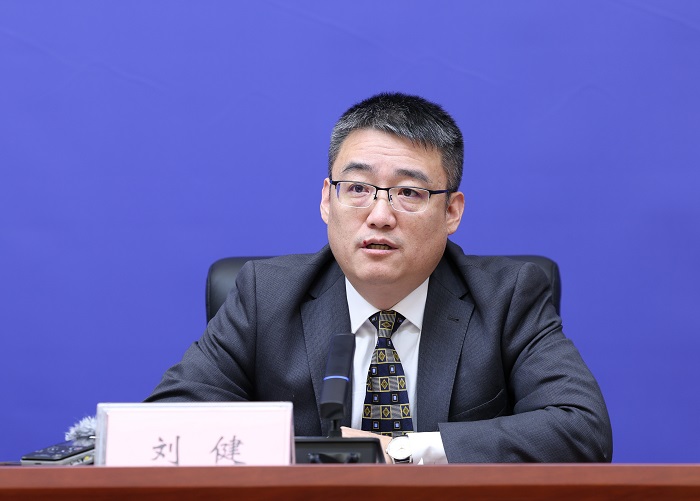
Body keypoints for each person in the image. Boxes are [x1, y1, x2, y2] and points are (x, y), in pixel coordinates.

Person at [146, 92, 613, 464]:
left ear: (451, 212)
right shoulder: (264, 294)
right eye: (357, 188)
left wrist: (400, 452)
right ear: (327, 200)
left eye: (409, 192)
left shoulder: (508, 296)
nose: (380, 215)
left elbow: (582, 430)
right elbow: (165, 425)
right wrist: (309, 456)